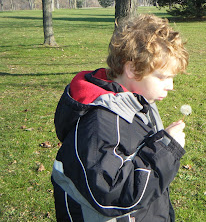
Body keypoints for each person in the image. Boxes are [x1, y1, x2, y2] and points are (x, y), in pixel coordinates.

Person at [51, 15, 189, 222]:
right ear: (132, 69)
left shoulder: (136, 101)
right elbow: (111, 194)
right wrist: (167, 150)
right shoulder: (101, 122)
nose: (170, 86)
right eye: (162, 77)